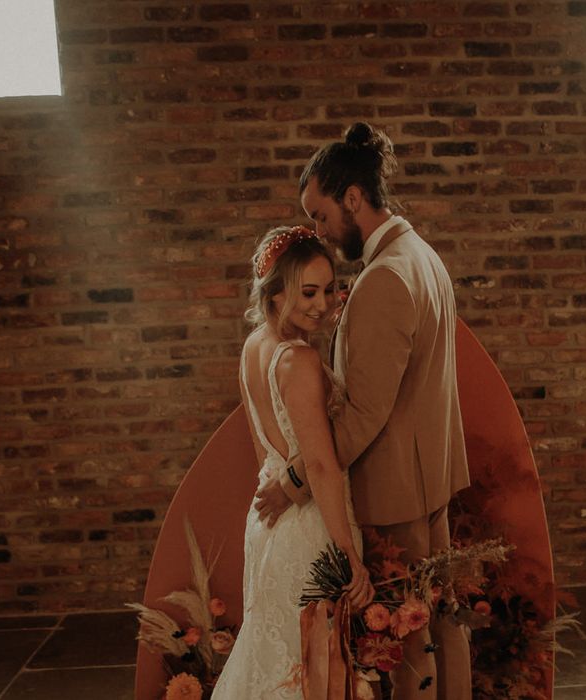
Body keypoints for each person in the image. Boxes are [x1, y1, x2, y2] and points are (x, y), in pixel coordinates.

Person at [255, 123, 472, 700]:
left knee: (405, 643)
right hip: (432, 478)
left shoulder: (384, 278)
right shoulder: (422, 256)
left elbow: (366, 412)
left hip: (397, 488)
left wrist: (295, 479)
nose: (316, 231)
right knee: (441, 625)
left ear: (353, 198)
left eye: (320, 215)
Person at [212, 225, 374, 700]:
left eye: (329, 290)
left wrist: (282, 488)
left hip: (267, 529)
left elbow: (266, 452)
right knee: (314, 673)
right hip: (311, 531)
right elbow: (322, 466)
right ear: (276, 292)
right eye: (308, 292)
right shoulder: (298, 360)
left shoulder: (252, 349)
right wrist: (349, 557)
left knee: (279, 664)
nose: (321, 303)